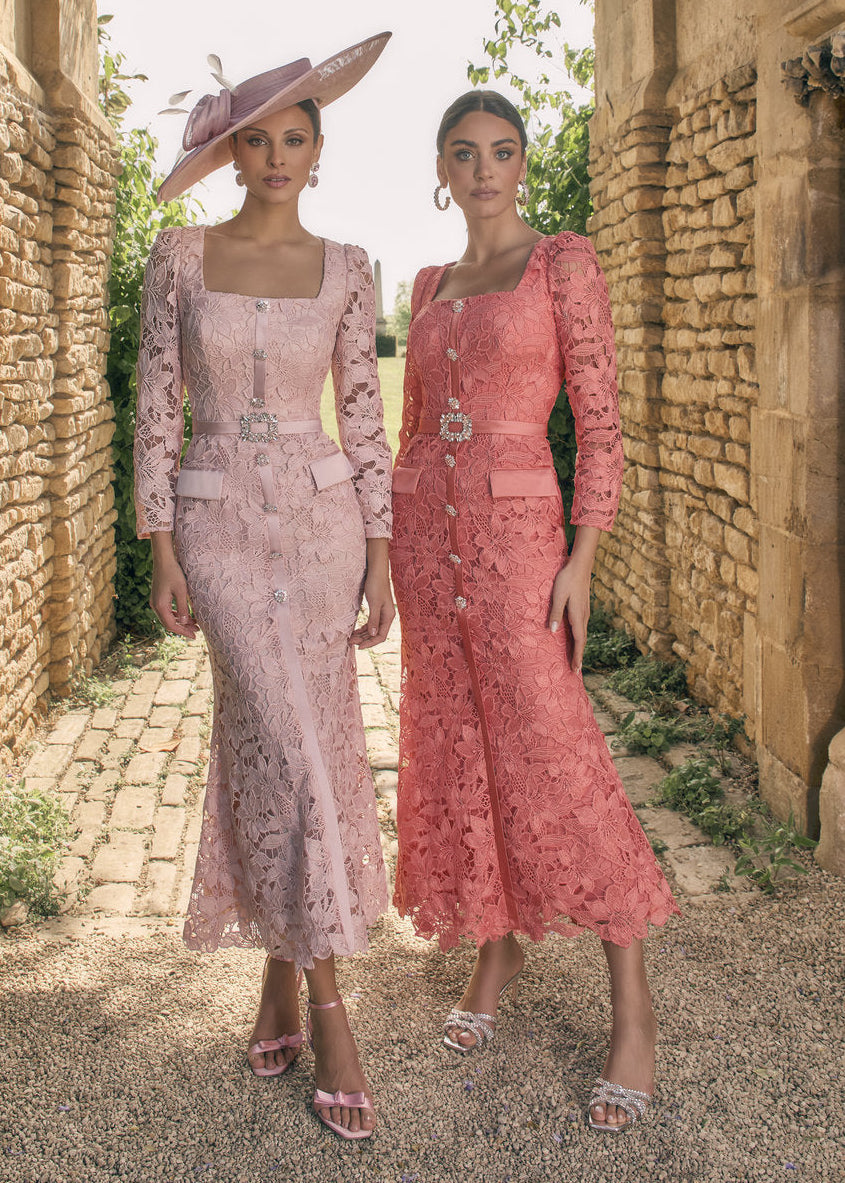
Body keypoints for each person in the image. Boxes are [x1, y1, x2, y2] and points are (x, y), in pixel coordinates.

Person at [389, 90, 680, 1133]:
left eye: (500, 152)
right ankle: (493, 949)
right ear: (440, 165)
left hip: (522, 556)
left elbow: (598, 427)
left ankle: (632, 1012)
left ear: (521, 162)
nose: (481, 170)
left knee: (555, 758)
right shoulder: (426, 283)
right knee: (461, 752)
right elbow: (414, 432)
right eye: (461, 152)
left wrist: (584, 559)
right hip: (429, 552)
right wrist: (388, 559)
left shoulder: (562, 264)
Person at [133, 34, 393, 1141]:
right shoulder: (178, 256)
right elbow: (152, 401)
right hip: (218, 523)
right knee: (277, 743)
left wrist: (380, 551)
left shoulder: (349, 265)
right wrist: (158, 541)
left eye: (296, 136)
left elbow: (365, 417)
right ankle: (334, 1010)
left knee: (307, 744)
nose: (277, 154)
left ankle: (284, 983)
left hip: (323, 526)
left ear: (319, 152)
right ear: (232, 150)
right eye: (257, 137)